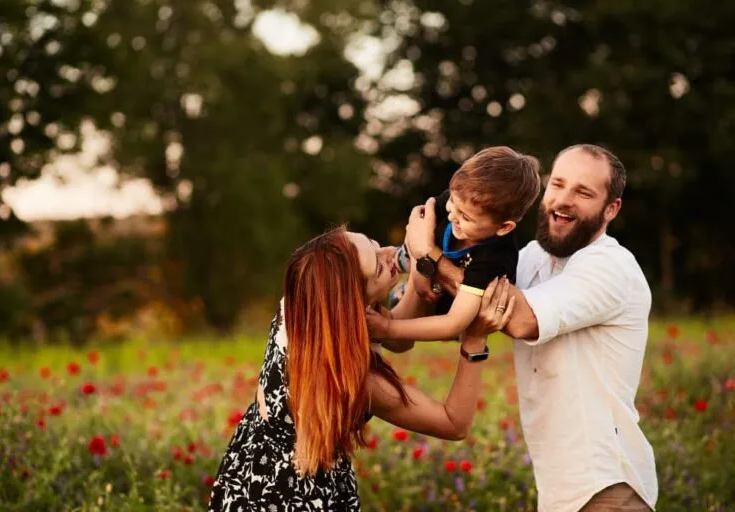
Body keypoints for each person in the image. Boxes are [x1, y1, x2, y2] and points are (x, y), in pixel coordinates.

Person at [405, 144, 658, 511]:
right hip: (559, 494)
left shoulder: (610, 265)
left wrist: (430, 255)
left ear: (611, 208)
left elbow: (519, 318)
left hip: (607, 488)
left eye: (583, 192)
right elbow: (464, 300)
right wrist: (415, 267)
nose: (564, 200)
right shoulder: (530, 260)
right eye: (558, 185)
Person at [208, 226, 515, 511]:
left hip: (249, 468)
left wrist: (418, 277)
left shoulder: (303, 303)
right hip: (299, 497)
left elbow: (392, 337)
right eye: (377, 266)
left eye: (373, 243)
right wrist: (474, 339)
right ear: (352, 304)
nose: (387, 253)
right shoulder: (354, 380)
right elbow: (453, 423)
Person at [366, 146, 540, 345]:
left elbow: (454, 323)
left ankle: (401, 301)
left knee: (401, 330)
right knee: (405, 253)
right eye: (452, 202)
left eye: (465, 217)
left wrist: (388, 329)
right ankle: (401, 266)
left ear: (503, 227)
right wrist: (418, 268)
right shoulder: (460, 198)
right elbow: (417, 226)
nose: (452, 216)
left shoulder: (495, 260)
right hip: (424, 263)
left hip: (445, 307)